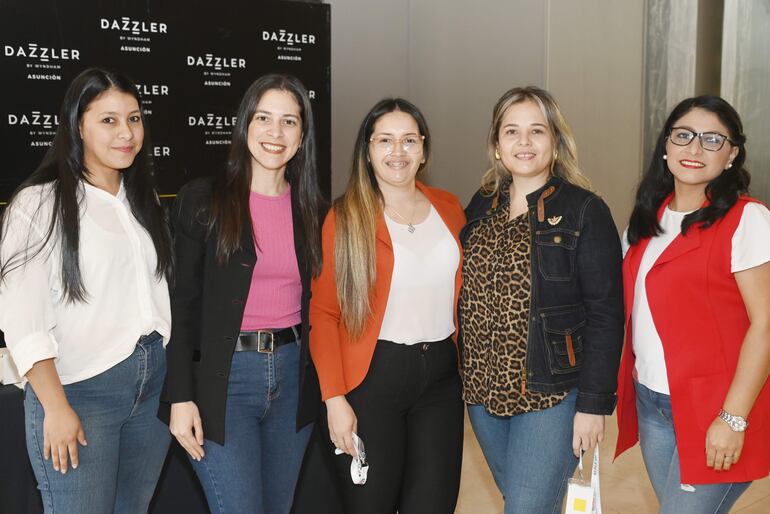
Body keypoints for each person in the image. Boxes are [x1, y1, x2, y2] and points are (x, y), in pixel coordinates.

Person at [0, 68, 173, 513]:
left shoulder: (142, 201)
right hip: (80, 392)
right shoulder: (39, 203)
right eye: (109, 120)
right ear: (78, 124)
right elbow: (23, 319)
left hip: (150, 386)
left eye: (134, 119)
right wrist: (55, 408)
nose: (126, 133)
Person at [159, 73, 325, 514]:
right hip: (224, 381)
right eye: (264, 118)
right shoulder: (203, 200)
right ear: (244, 125)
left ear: (302, 134)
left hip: (293, 379)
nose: (276, 132)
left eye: (289, 122)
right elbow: (181, 305)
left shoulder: (313, 210)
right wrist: (179, 396)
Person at [459, 86, 624, 513]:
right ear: (497, 145)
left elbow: (607, 313)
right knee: (527, 501)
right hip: (482, 392)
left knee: (526, 508)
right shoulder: (479, 206)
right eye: (511, 131)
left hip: (550, 393)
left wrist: (593, 404)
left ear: (555, 141)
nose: (524, 142)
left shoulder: (585, 210)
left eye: (537, 131)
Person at [308, 98, 465, 514]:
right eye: (385, 141)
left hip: (441, 382)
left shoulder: (450, 209)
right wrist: (335, 400)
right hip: (373, 381)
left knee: (434, 504)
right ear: (368, 149)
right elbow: (324, 315)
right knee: (371, 504)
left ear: (424, 149)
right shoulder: (345, 218)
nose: (398, 152)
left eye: (409, 140)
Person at [615, 95, 770, 512]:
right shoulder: (648, 219)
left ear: (733, 154)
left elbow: (765, 325)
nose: (695, 149)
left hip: (716, 408)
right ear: (666, 146)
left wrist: (733, 417)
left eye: (712, 140)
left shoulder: (746, 219)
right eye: (683, 136)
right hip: (652, 401)